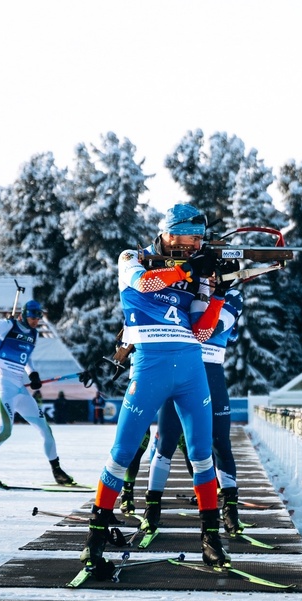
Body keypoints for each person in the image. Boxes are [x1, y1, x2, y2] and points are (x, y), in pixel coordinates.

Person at [80, 203, 228, 580]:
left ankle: (211, 539)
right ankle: (94, 540)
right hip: (150, 365)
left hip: (191, 366)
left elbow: (202, 332)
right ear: (170, 233)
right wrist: (188, 270)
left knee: (201, 454)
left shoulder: (196, 269)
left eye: (199, 241)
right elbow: (145, 284)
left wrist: (217, 294)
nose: (196, 245)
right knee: (122, 452)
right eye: (191, 238)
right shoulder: (132, 257)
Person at [132, 280, 244, 541]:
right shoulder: (190, 290)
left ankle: (230, 509)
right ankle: (152, 508)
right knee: (166, 443)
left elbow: (211, 328)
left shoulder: (233, 294)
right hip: (183, 370)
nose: (211, 276)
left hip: (211, 372)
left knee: (221, 444)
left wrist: (205, 301)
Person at [0, 300, 75, 487]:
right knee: (5, 432)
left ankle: (57, 471)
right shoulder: (7, 325)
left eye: (38, 318)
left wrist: (32, 374)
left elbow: (26, 357)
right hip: (4, 384)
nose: (36, 321)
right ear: (24, 315)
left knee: (45, 429)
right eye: (33, 317)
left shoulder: (34, 334)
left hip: (19, 387)